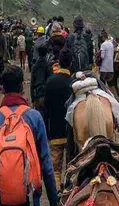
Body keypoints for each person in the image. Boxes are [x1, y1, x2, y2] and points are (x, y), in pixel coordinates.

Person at [0, 66, 57, 205]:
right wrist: (54, 201)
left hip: (1, 197)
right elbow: (46, 164)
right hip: (29, 198)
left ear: (3, 89)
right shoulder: (34, 117)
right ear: (22, 86)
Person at [43, 49, 72, 189]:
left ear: (59, 63)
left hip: (54, 131)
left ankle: (56, 197)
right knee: (71, 166)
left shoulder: (50, 81)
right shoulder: (73, 84)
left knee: (55, 169)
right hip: (71, 132)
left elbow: (46, 108)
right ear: (71, 63)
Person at [30, 44, 51, 116]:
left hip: (37, 94)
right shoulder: (48, 65)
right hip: (45, 94)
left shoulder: (35, 66)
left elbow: (32, 83)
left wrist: (32, 98)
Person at [99, 31, 117, 97]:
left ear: (103, 37)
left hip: (104, 68)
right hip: (110, 67)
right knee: (111, 84)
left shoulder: (103, 45)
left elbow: (102, 56)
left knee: (102, 85)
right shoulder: (111, 44)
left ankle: (104, 98)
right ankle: (114, 97)